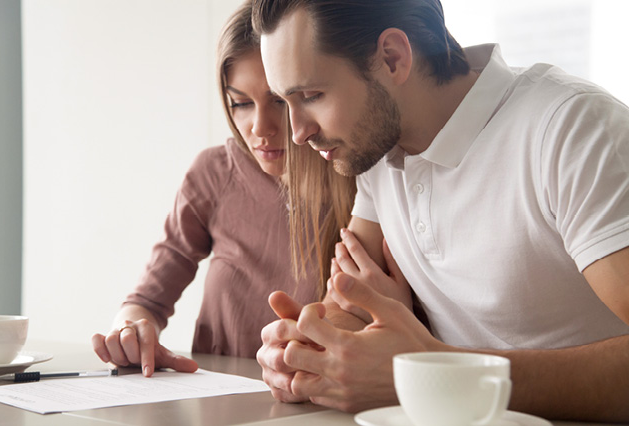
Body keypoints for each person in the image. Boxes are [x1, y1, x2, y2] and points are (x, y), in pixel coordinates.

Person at [251, 0, 629, 422]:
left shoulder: (570, 129)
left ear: (393, 58)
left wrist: (430, 370)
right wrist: (312, 351)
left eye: (311, 96)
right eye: (287, 102)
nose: (298, 133)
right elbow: (349, 308)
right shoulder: (378, 153)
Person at [91, 0, 355, 378]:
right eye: (240, 103)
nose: (259, 128)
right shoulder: (214, 173)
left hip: (318, 398)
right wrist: (131, 330)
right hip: (219, 400)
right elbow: (146, 300)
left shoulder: (360, 178)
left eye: (278, 101)